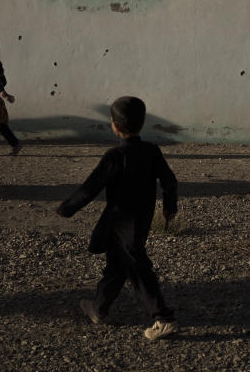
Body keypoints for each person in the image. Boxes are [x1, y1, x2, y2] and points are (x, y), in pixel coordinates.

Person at [57, 96, 179, 341]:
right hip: (139, 220)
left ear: (113, 124)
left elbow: (91, 187)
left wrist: (67, 208)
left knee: (137, 267)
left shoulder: (115, 155)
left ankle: (163, 318)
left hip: (122, 221)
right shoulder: (151, 151)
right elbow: (169, 181)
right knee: (116, 265)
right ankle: (99, 308)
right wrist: (169, 207)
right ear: (143, 122)